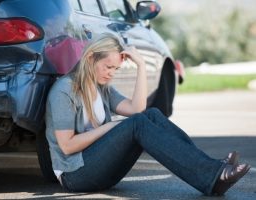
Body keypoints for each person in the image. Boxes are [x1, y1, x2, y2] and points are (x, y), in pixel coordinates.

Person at [45, 33, 250, 196]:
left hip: (98, 168)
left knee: (151, 114)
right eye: (108, 67)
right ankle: (213, 174)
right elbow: (67, 145)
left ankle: (212, 173)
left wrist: (141, 65)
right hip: (75, 175)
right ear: (90, 58)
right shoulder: (65, 90)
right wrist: (109, 127)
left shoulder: (102, 87)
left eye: (116, 69)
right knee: (136, 124)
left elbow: (137, 109)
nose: (111, 73)